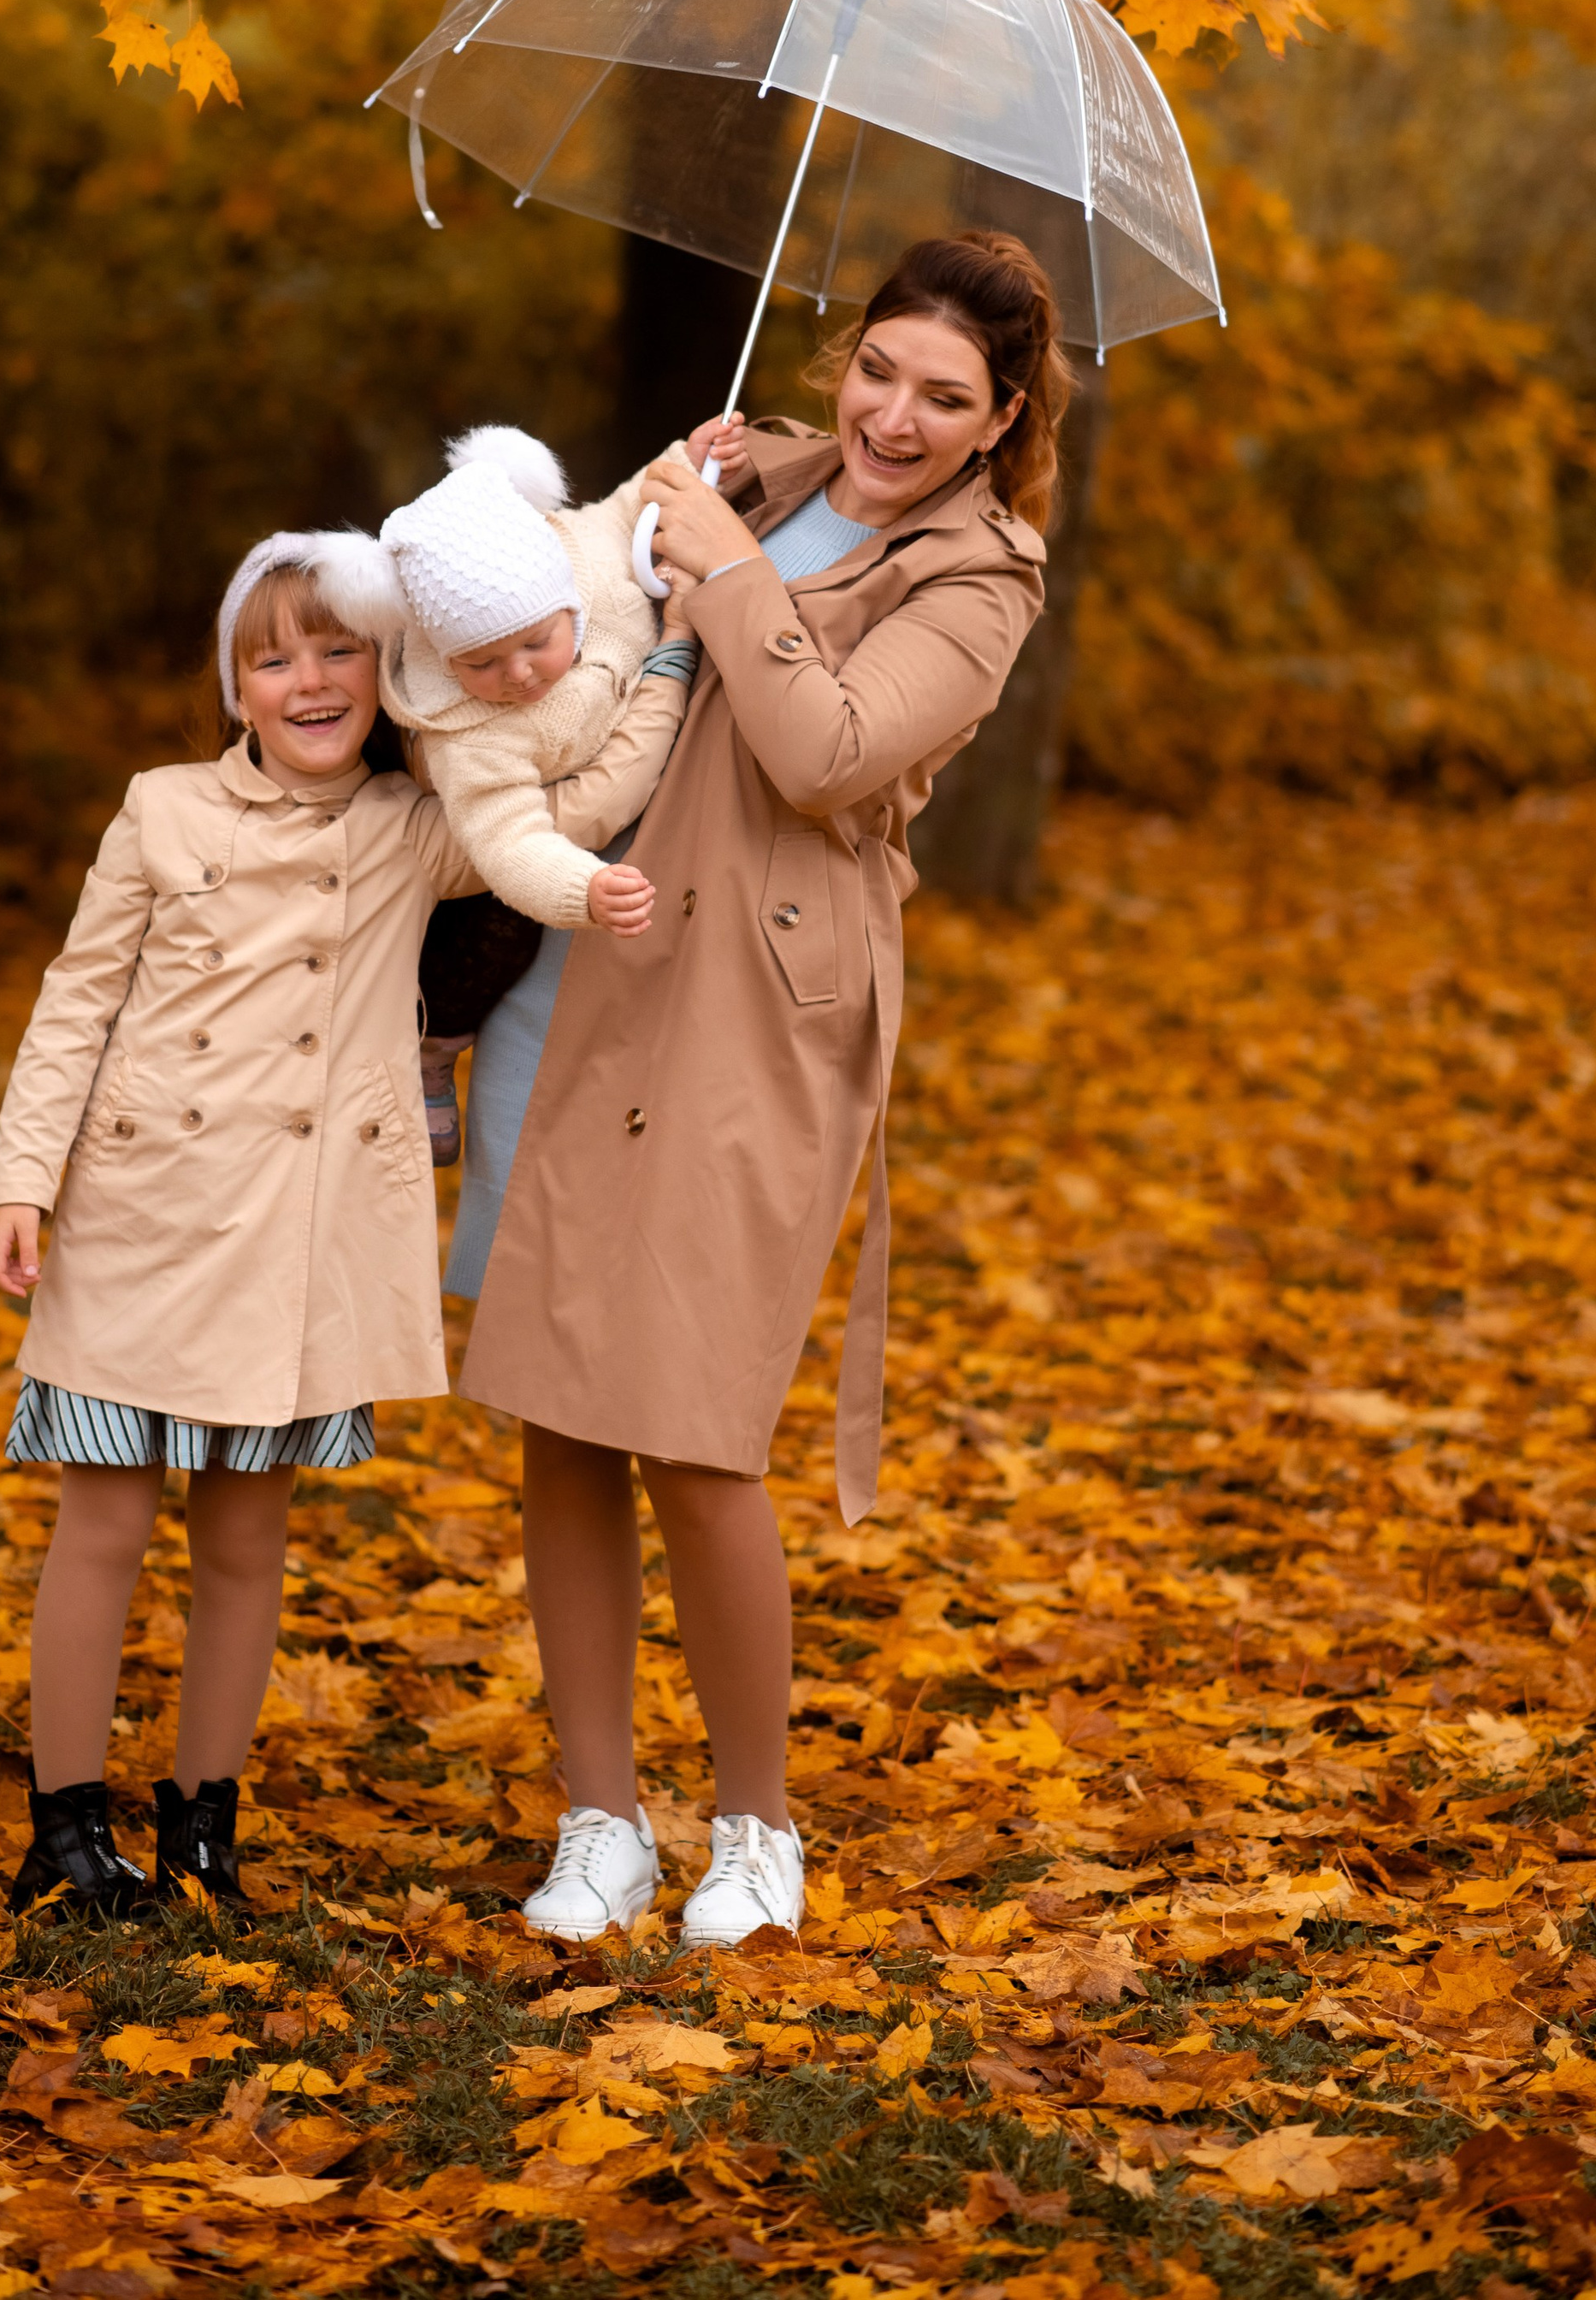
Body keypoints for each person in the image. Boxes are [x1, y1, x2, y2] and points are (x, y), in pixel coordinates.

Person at [455, 231, 1065, 1950]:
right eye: (878, 368)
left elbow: (829, 752)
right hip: (584, 956)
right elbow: (554, 642)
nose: (890, 413)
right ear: (844, 359)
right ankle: (598, 1817)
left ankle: (753, 1826)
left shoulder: (980, 578)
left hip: (749, 1006)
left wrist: (725, 566)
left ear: (994, 420)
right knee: (559, 1398)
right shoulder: (752, 465)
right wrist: (639, 519)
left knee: (693, 1420)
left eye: (942, 396)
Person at [0, 533, 673, 1921]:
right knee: (103, 1521)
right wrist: (21, 1175)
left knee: (245, 1538)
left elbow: (584, 791)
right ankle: (66, 1830)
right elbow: (77, 999)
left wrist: (661, 650)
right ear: (236, 683)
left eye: (337, 649)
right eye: (272, 655)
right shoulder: (162, 811)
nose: (307, 678)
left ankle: (201, 1828)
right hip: (140, 1220)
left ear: (390, 672)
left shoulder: (414, 827)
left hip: (299, 1243)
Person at [313, 423, 724, 1158]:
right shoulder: (469, 732)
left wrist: (689, 458)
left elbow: (633, 503)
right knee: (491, 928)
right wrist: (580, 889)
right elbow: (509, 839)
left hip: (620, 718)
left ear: (566, 596)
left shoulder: (589, 555)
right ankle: (435, 1041)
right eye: (483, 662)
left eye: (536, 642)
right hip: (511, 840)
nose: (520, 674)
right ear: (447, 656)